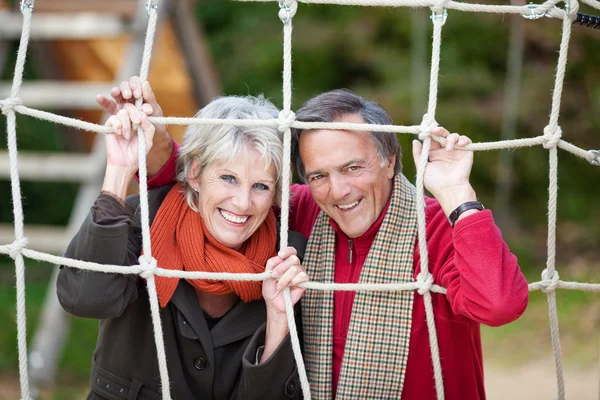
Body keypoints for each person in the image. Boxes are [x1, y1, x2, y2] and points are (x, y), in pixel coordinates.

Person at [125, 88, 530, 399]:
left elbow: (499, 304)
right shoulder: (302, 211)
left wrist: (457, 191)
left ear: (390, 160)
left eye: (353, 168)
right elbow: (210, 187)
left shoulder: (438, 225)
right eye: (318, 175)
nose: (337, 191)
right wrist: (156, 139)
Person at [57, 79, 309, 400]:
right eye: (228, 178)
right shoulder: (139, 221)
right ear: (194, 173)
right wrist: (119, 171)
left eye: (260, 186)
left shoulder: (286, 260)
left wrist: (278, 319)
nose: (243, 203)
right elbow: (83, 300)